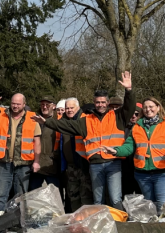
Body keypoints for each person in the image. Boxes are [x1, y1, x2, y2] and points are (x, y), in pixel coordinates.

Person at [43, 72, 135, 206]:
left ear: (108, 103)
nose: (100, 105)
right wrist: (47, 121)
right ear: (94, 103)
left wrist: (129, 90)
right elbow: (66, 125)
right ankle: (98, 226)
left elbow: (129, 107)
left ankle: (119, 225)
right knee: (98, 200)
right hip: (95, 164)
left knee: (115, 199)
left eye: (103, 102)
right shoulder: (86, 121)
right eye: (97, 102)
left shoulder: (117, 116)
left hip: (113, 163)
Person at [103, 97, 165, 207]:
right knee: (150, 208)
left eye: (151, 107)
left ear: (158, 108)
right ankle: (153, 225)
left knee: (163, 207)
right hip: (143, 174)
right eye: (145, 107)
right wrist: (116, 151)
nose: (148, 109)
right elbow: (129, 147)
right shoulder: (137, 126)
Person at [0, 94, 42, 212]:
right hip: (4, 163)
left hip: (24, 164)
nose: (15, 106)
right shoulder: (2, 117)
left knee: (20, 197)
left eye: (18, 104)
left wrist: (37, 162)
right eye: (13, 103)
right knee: (0, 195)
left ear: (24, 104)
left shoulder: (33, 118)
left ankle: (18, 222)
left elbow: (37, 142)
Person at [50, 98, 92, 211]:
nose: (69, 110)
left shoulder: (85, 120)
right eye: (67, 108)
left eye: (71, 108)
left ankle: (86, 222)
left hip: (84, 165)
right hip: (70, 166)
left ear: (78, 108)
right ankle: (76, 222)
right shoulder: (63, 122)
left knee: (86, 196)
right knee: (73, 196)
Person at [30, 96, 61, 191]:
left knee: (55, 196)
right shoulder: (33, 120)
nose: (44, 107)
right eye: (42, 104)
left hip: (52, 166)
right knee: (33, 195)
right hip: (35, 165)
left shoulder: (59, 121)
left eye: (47, 104)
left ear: (54, 106)